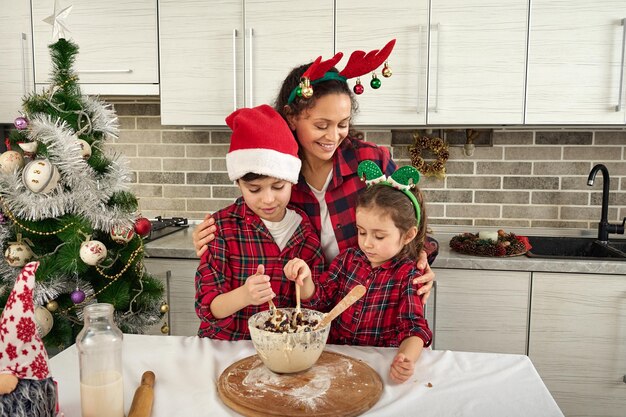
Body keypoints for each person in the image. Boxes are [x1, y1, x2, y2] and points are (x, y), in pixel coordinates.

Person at [193, 40, 437, 302]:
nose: (334, 136)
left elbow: (411, 219)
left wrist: (421, 254)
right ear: (292, 117)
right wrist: (212, 236)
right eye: (321, 125)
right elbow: (251, 212)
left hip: (372, 304)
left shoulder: (370, 161)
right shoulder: (278, 171)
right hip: (309, 305)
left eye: (342, 124)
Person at [284, 161, 432, 384]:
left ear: (408, 235)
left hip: (376, 365)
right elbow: (319, 298)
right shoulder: (348, 260)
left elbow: (413, 327)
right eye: (361, 232)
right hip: (333, 360)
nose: (367, 243)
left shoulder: (408, 276)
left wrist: (406, 358)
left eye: (379, 236)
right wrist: (304, 278)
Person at [194, 105, 325, 340]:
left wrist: (305, 282)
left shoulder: (305, 231)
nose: (268, 199)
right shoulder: (221, 229)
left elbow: (316, 304)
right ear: (239, 184)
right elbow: (207, 308)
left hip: (284, 351)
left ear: (292, 181)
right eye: (254, 189)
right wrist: (244, 295)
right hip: (227, 347)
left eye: (278, 187)